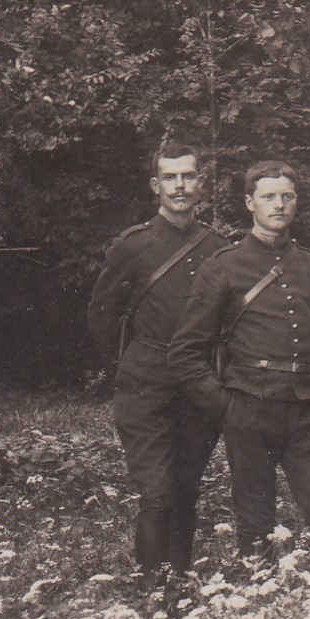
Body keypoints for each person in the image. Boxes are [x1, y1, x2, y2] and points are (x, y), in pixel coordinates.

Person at [170, 161, 310, 558]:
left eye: (287, 196)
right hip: (250, 406)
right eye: (268, 197)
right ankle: (258, 598)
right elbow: (185, 353)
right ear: (250, 203)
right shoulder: (223, 266)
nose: (279, 205)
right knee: (255, 521)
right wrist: (226, 407)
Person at [87, 142, 229, 587]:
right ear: (156, 185)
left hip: (198, 386)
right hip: (145, 384)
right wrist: (130, 363)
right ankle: (152, 586)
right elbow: (101, 313)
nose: (180, 185)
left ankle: (179, 582)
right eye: (171, 177)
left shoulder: (220, 248)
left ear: (201, 183)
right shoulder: (134, 246)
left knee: (185, 488)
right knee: (158, 490)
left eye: (188, 176)